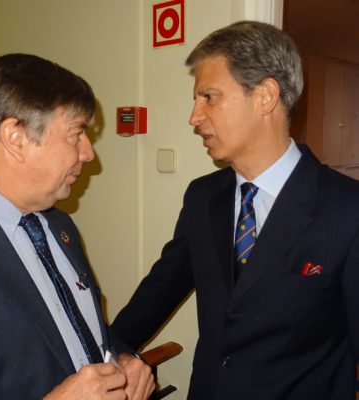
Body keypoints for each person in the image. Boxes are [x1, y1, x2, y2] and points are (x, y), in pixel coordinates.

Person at [111, 20, 359, 399]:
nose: (194, 117)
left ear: (265, 97)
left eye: (209, 97)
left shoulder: (347, 210)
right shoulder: (203, 197)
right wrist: (102, 359)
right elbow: (157, 294)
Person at [0, 53, 154, 400]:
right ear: (16, 137)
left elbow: (83, 330)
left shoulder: (58, 226)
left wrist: (124, 359)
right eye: (76, 134)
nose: (88, 153)